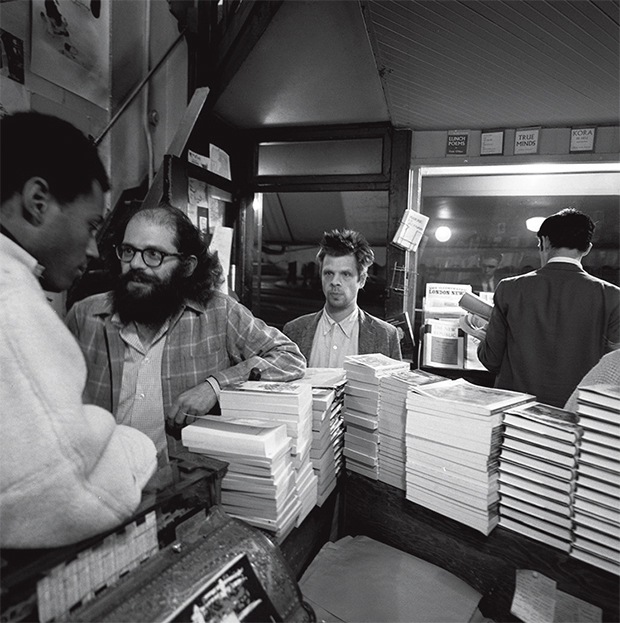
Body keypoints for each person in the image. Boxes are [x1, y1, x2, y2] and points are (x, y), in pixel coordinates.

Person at [0, 111, 157, 548]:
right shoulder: (12, 299)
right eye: (91, 226)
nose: (93, 250)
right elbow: (63, 489)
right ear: (38, 201)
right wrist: (138, 450)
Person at [66, 204, 306, 463]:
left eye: (153, 255)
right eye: (128, 251)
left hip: (182, 491)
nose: (135, 264)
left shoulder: (219, 313)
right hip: (105, 484)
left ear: (188, 266)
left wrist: (215, 386)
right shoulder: (85, 316)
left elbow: (288, 357)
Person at [478, 208, 620, 408]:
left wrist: (484, 334)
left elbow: (491, 360)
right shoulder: (613, 295)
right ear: (587, 248)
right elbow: (613, 365)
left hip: (515, 410)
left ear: (543, 242)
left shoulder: (509, 288)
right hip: (578, 413)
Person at [283, 229, 402, 366]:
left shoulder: (385, 336)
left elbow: (394, 387)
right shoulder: (293, 331)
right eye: (328, 273)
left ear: (362, 280)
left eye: (345, 274)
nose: (335, 281)